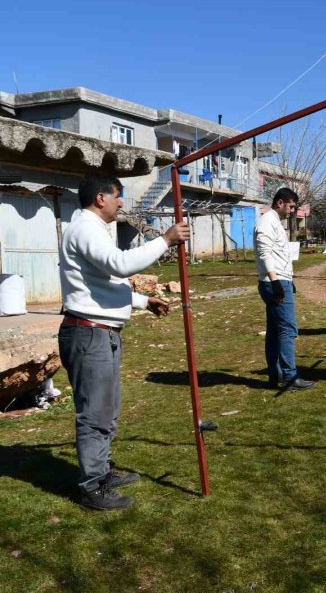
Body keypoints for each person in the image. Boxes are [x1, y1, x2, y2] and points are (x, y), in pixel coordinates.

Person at [58, 173, 190, 510]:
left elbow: (100, 284)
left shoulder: (93, 229)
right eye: (118, 195)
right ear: (100, 198)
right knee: (95, 415)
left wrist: (144, 302)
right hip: (89, 334)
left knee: (107, 411)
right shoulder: (85, 228)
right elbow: (119, 266)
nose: (121, 202)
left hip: (100, 332)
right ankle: (92, 488)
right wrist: (166, 239)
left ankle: (101, 471)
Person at [255, 188, 315, 392]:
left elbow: (278, 254)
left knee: (274, 331)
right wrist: (277, 283)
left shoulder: (274, 222)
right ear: (280, 202)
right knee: (288, 329)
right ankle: (289, 376)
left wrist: (287, 279)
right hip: (275, 282)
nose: (292, 211)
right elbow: (264, 253)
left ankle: (275, 374)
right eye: (290, 206)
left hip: (280, 279)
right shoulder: (267, 222)